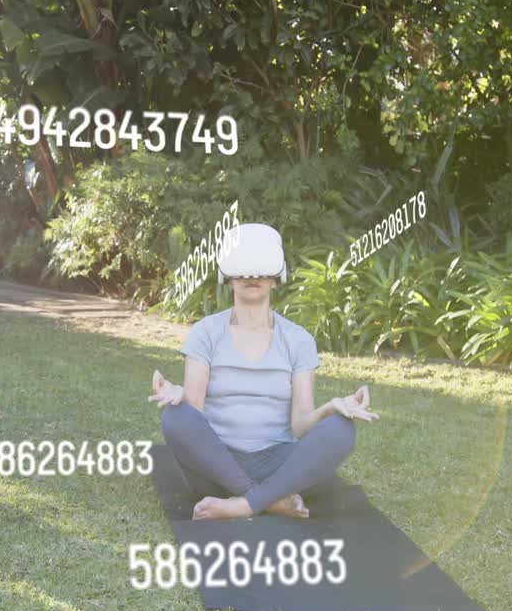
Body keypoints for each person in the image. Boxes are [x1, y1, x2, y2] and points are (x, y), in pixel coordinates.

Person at [148, 223, 378, 521]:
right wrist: (179, 395)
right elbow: (195, 412)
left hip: (280, 464)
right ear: (228, 277)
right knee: (175, 416)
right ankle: (269, 500)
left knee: (342, 428)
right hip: (217, 467)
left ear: (276, 277)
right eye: (243, 270)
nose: (252, 276)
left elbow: (300, 426)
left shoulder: (298, 339)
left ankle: (242, 504)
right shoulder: (205, 332)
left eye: (260, 271)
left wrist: (331, 408)